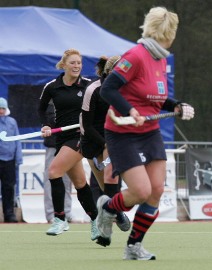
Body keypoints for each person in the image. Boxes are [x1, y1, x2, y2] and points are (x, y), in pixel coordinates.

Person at [97, 6, 194, 260]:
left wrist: (176, 106)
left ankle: (133, 247)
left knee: (156, 191)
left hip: (149, 132)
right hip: (122, 132)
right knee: (140, 191)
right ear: (166, 33)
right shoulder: (136, 55)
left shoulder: (160, 58)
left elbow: (155, 97)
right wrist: (130, 109)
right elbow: (107, 90)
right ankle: (107, 208)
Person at [38, 48, 99, 239]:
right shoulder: (51, 86)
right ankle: (97, 221)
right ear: (64, 65)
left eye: (79, 63)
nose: (76, 66)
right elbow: (41, 109)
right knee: (80, 183)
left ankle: (60, 219)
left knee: (54, 171)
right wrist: (46, 125)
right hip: (62, 139)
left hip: (81, 136)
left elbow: (104, 101)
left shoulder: (89, 86)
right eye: (72, 63)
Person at [80, 55, 131, 233]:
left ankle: (112, 215)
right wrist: (104, 144)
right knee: (102, 185)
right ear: (109, 71)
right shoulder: (92, 89)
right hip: (92, 139)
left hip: (113, 137)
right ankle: (115, 212)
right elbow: (86, 125)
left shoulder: (125, 90)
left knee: (113, 178)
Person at [42, 102, 73, 223]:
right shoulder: (49, 105)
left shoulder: (73, 101)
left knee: (67, 180)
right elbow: (49, 121)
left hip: (69, 145)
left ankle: (67, 212)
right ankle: (51, 214)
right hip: (53, 146)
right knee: (51, 180)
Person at [0, 98, 22, 223]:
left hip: (9, 160)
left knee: (9, 188)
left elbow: (17, 140)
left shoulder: (12, 122)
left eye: (3, 108)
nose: (1, 111)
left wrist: (18, 158)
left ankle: (9, 214)